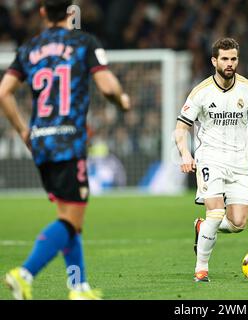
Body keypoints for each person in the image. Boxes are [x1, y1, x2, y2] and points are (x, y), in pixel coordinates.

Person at [0, 0, 130, 300]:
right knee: (71, 219)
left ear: (43, 12)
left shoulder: (29, 48)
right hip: (69, 141)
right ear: (71, 13)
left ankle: (78, 287)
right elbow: (108, 87)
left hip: (41, 142)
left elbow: (4, 92)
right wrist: (122, 100)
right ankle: (25, 273)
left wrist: (23, 129)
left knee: (70, 215)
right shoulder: (84, 42)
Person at [175, 38, 248, 282]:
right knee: (216, 213)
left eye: (234, 59)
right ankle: (201, 269)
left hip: (240, 163)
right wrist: (186, 154)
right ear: (214, 61)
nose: (230, 64)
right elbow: (181, 128)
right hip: (211, 159)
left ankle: (202, 227)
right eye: (225, 59)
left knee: (238, 223)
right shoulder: (201, 92)